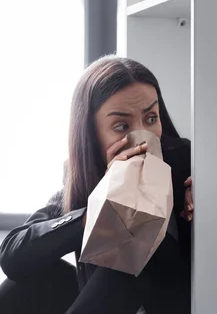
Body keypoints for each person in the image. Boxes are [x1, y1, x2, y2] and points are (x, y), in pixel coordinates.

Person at [0, 55, 193, 314]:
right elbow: (13, 256)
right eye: (121, 125)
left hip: (177, 302)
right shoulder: (86, 177)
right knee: (24, 284)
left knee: (136, 242)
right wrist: (95, 215)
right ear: (91, 134)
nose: (141, 138)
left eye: (150, 118)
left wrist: (210, 198)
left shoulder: (189, 163)